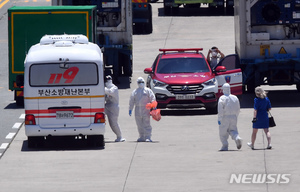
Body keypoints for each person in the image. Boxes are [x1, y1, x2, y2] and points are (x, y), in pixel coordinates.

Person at [129, 77, 156, 142]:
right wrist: (130, 109)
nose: (141, 84)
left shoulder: (148, 91)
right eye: (139, 82)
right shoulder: (135, 92)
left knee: (146, 123)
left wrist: (154, 106)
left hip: (146, 108)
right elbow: (131, 101)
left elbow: (152, 98)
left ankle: (148, 137)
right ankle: (141, 136)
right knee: (139, 124)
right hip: (137, 109)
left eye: (142, 82)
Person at [218, 83, 242, 151]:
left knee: (223, 132)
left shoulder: (222, 98)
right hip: (234, 116)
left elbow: (220, 110)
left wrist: (219, 118)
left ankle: (225, 145)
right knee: (233, 130)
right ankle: (237, 138)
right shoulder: (235, 97)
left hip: (225, 117)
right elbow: (238, 108)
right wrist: (236, 116)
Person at [104, 75, 125, 142]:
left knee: (113, 123)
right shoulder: (106, 88)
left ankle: (119, 136)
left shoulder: (114, 88)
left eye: (108, 80)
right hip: (107, 105)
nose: (107, 81)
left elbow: (110, 92)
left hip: (114, 107)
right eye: (106, 80)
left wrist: (102, 88)